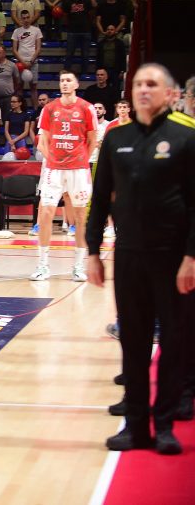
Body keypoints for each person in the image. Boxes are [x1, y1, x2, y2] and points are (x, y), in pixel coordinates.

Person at [87, 63, 195, 455]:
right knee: (133, 343)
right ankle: (135, 426)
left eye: (152, 84)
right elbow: (99, 201)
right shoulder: (117, 140)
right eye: (137, 84)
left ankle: (164, 425)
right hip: (129, 256)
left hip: (173, 260)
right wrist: (93, 251)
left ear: (170, 95)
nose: (143, 90)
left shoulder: (185, 139)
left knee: (174, 341)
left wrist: (191, 257)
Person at [31, 71, 98, 282]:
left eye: (69, 80)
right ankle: (43, 266)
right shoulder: (50, 109)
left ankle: (78, 267)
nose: (65, 84)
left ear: (77, 84)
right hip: (54, 169)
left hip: (78, 170)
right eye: (62, 81)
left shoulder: (86, 108)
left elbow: (92, 140)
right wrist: (53, 161)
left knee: (79, 218)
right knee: (45, 214)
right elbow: (42, 141)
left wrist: (80, 161)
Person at [11, 9, 43, 109]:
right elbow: (14, 49)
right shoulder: (17, 31)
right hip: (20, 63)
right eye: (24, 18)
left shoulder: (36, 30)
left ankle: (36, 110)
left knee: (33, 87)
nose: (26, 20)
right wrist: (22, 62)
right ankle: (20, 109)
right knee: (19, 87)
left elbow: (38, 48)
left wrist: (31, 61)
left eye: (27, 17)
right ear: (21, 19)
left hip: (33, 62)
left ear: (30, 17)